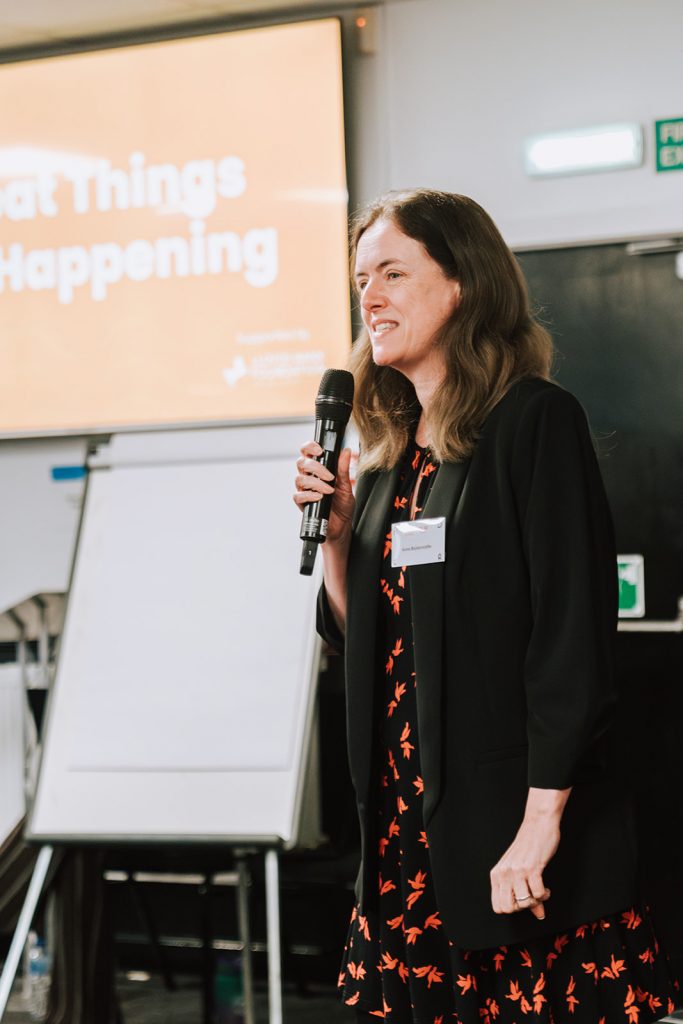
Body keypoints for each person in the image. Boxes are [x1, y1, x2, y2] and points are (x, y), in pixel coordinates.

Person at [293, 190, 678, 1024]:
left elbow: (571, 644)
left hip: (516, 832)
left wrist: (538, 828)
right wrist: (337, 542)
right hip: (407, 835)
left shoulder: (533, 423)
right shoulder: (390, 455)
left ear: (462, 282)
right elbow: (370, 642)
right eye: (361, 280)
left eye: (393, 273)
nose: (370, 297)